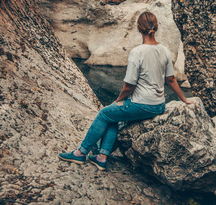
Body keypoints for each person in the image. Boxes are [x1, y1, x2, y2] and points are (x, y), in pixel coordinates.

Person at [59, 11, 194, 170]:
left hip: (142, 104)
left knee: (104, 113)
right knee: (112, 115)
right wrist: (184, 99)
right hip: (158, 105)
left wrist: (118, 100)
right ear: (156, 27)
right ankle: (101, 157)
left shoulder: (137, 52)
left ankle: (80, 153)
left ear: (138, 28)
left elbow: (129, 86)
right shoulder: (164, 50)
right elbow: (171, 79)